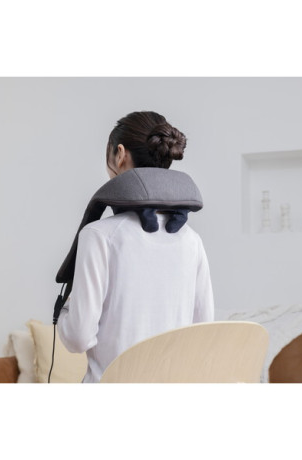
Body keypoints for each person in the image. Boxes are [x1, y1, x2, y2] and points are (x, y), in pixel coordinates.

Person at [57, 110, 214, 383]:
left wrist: (65, 311)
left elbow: (78, 338)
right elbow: (203, 331)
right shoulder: (191, 240)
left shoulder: (99, 235)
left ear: (120, 154)